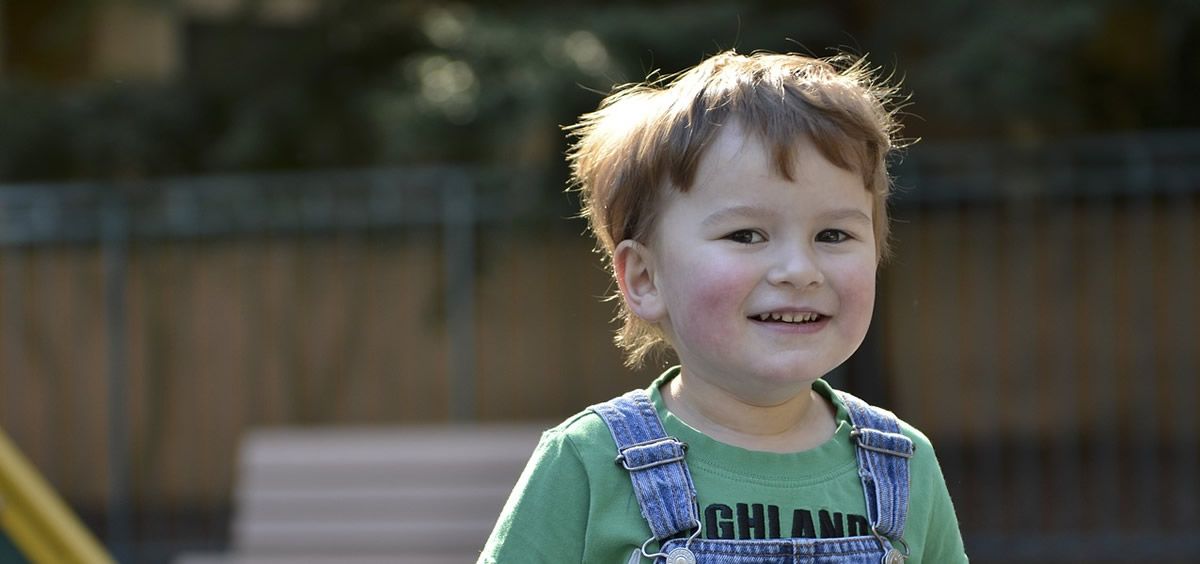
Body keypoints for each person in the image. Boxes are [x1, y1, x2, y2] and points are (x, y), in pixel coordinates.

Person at [478, 50, 968, 563]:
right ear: (645, 278)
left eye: (833, 233)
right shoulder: (590, 462)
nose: (799, 269)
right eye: (746, 234)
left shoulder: (903, 463)